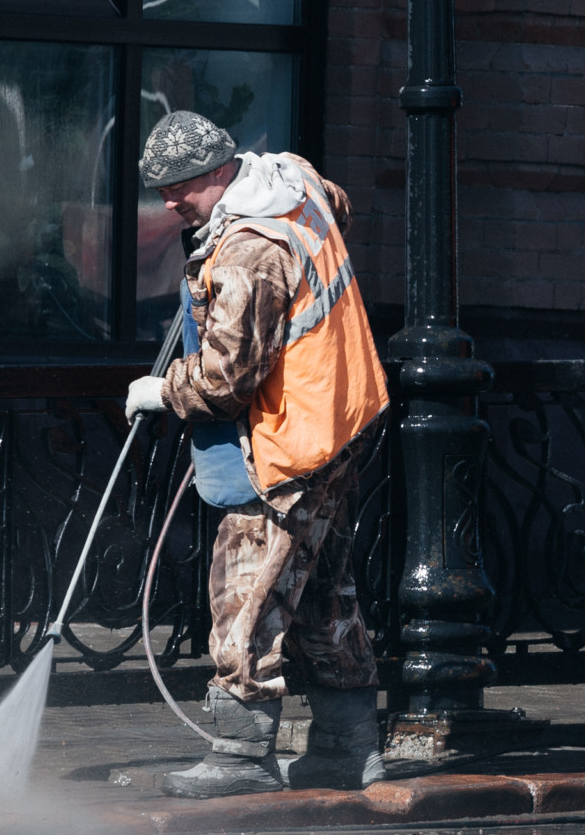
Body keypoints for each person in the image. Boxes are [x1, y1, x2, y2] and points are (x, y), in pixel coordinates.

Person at [126, 111, 391, 798]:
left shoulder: (248, 250)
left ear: (219, 172)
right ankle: (348, 746)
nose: (169, 202)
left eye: (180, 187)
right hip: (343, 417)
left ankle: (241, 757)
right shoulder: (292, 176)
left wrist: (163, 389)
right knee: (323, 592)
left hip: (293, 438)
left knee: (244, 588)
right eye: (160, 189)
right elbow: (342, 205)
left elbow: (224, 380)